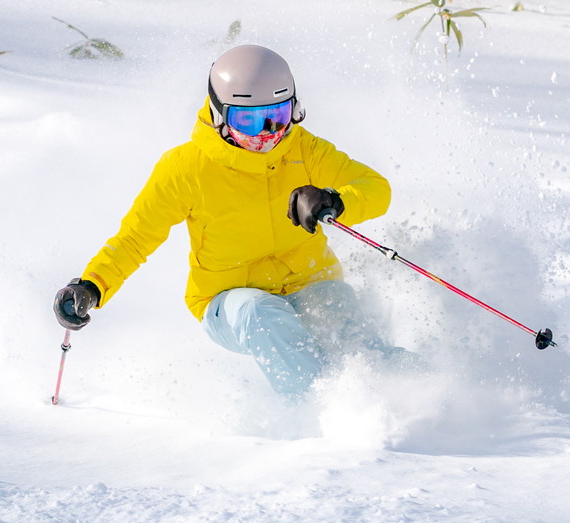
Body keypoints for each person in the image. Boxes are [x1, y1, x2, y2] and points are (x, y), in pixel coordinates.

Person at [53, 44, 395, 398]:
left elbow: (377, 189)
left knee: (349, 330)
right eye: (248, 119)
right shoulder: (186, 169)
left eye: (278, 114)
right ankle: (323, 409)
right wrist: (92, 285)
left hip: (310, 284)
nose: (267, 132)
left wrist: (336, 201)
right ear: (219, 115)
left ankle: (404, 393)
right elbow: (136, 237)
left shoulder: (303, 150)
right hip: (230, 302)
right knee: (262, 314)